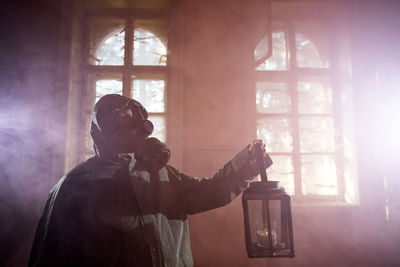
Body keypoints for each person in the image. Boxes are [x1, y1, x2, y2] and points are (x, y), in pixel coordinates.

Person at [28, 94, 272, 267]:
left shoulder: (163, 175)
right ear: (103, 131)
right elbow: (49, 257)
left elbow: (212, 191)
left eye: (139, 124)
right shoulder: (74, 186)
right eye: (125, 124)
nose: (140, 132)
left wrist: (248, 163)